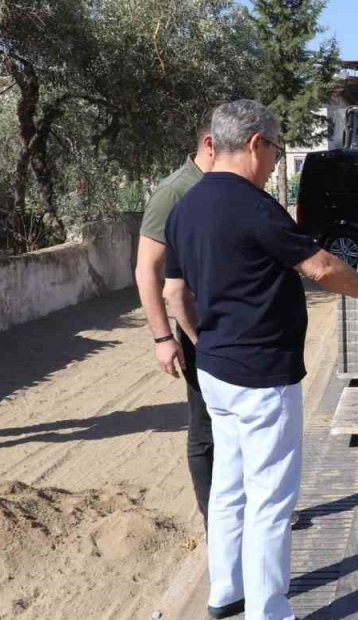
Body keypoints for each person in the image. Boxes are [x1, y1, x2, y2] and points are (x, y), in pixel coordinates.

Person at [163, 99, 358, 620]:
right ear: (253, 143)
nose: (275, 161)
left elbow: (175, 290)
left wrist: (205, 341)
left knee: (228, 486)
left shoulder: (186, 206)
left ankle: (225, 592)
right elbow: (320, 266)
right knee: (271, 497)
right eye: (275, 149)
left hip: (218, 372)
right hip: (261, 375)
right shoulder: (253, 205)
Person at [136, 104, 217, 522]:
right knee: (205, 425)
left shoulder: (224, 185)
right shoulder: (175, 192)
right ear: (209, 144)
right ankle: (213, 519)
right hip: (195, 328)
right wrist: (163, 338)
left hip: (228, 326)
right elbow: (147, 269)